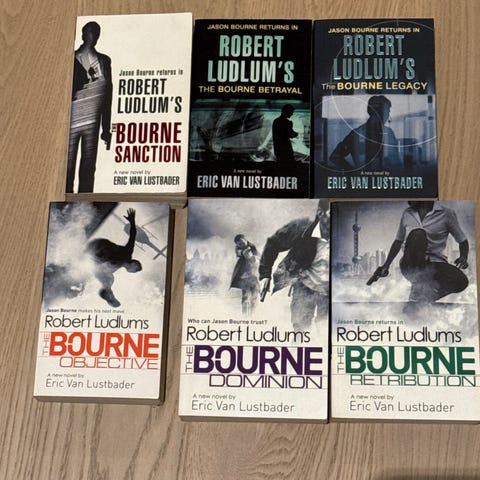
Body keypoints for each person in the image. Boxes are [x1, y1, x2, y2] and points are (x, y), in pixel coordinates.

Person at [375, 201, 469, 303]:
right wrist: (386, 265)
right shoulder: (407, 213)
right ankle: (418, 287)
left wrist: (463, 256)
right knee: (418, 234)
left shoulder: (447, 214)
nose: (409, 200)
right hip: (411, 264)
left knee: (461, 281)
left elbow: (462, 240)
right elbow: (398, 241)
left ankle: (425, 296)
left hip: (435, 264)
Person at [258, 200, 330, 331]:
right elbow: (273, 244)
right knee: (300, 330)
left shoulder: (343, 234)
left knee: (325, 332)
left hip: (330, 292)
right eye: (333, 213)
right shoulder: (300, 229)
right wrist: (265, 275)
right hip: (304, 286)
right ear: (320, 213)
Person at [66, 21, 112, 193]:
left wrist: (106, 128)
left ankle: (84, 201)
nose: (94, 37)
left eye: (96, 33)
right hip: (72, 118)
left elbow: (108, 95)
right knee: (67, 168)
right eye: (91, 32)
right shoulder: (70, 59)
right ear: (83, 35)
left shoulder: (104, 61)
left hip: (93, 120)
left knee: (88, 168)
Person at [87, 208, 142, 307]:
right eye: (135, 270)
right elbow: (133, 236)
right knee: (110, 275)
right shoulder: (128, 253)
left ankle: (108, 294)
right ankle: (108, 293)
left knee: (110, 276)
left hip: (96, 257)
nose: (133, 272)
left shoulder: (118, 265)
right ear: (133, 264)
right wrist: (132, 222)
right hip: (99, 247)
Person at [330, 95, 399, 172]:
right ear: (379, 112)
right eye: (387, 111)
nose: (388, 116)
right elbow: (335, 156)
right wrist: (353, 173)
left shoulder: (389, 132)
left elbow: (396, 161)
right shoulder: (357, 134)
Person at [230, 235, 259, 315]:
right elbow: (240, 253)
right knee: (245, 297)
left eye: (243, 243)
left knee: (254, 297)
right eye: (239, 244)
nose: (242, 245)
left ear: (246, 240)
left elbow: (258, 257)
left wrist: (255, 258)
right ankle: (244, 316)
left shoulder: (252, 247)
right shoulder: (238, 249)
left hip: (254, 275)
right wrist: (245, 253)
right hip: (245, 276)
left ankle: (253, 315)